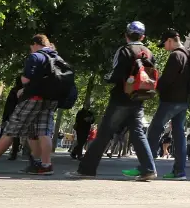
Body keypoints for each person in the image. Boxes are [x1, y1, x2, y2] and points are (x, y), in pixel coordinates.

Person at [67, 21, 158, 181]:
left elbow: (116, 74)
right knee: (138, 134)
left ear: (126, 35)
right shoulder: (149, 53)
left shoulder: (124, 50)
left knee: (104, 133)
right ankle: (148, 169)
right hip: (139, 98)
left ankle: (86, 170)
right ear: (143, 36)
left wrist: (107, 78)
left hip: (120, 98)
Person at [0, 35, 63, 175]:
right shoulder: (58, 59)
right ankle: (45, 165)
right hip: (51, 100)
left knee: (11, 129)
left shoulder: (36, 57)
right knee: (43, 132)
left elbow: (26, 79)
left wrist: (23, 88)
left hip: (33, 98)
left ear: (35, 44)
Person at [122, 29, 189, 181]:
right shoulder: (188, 54)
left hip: (170, 100)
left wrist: (154, 87)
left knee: (153, 131)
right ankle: (179, 172)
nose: (165, 47)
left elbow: (167, 79)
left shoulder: (176, 55)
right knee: (179, 135)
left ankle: (145, 168)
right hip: (184, 101)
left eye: (165, 43)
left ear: (171, 40)